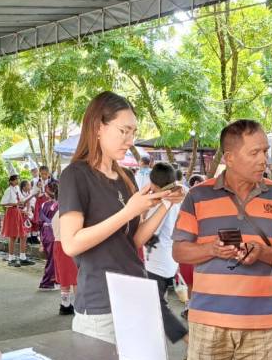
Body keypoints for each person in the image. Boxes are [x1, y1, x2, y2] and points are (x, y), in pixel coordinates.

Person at [172, 119, 272, 360]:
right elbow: (179, 250)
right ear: (229, 158)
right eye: (255, 153)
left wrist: (264, 253)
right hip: (206, 321)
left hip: (261, 323)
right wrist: (212, 249)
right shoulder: (197, 195)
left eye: (265, 151)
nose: (263, 159)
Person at [57, 92, 180, 342]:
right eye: (124, 131)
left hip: (137, 295)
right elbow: (71, 244)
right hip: (101, 304)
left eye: (133, 132)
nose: (129, 140)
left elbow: (132, 241)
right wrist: (128, 211)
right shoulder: (75, 175)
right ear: (98, 127)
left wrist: (165, 204)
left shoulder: (126, 177)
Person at [143, 161, 188, 343]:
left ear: (153, 183)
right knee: (157, 302)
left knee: (155, 305)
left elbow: (149, 233)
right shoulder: (177, 200)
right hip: (170, 259)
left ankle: (188, 340)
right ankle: (155, 337)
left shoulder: (162, 203)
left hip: (157, 261)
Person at [0, 174, 35, 268]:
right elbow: (2, 203)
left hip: (18, 211)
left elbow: (22, 200)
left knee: (23, 234)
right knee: (13, 235)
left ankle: (22, 257)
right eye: (15, 180)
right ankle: (11, 258)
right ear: (11, 181)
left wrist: (32, 195)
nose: (17, 181)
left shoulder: (17, 189)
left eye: (18, 179)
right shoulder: (8, 190)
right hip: (11, 211)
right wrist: (15, 203)